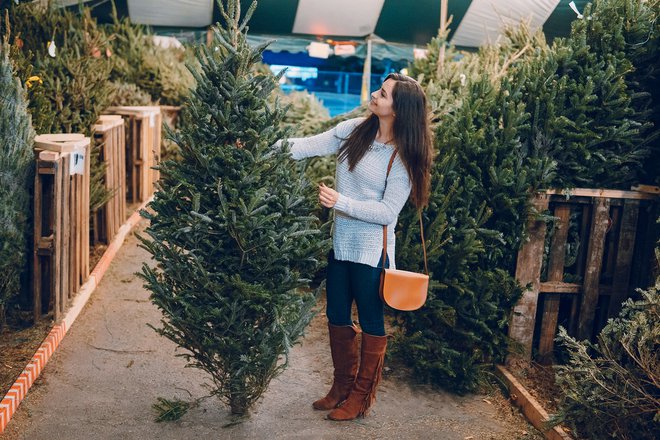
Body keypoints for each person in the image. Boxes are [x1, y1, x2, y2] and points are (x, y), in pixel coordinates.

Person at [280, 73, 433, 421]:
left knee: (370, 320)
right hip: (342, 245)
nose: (375, 96)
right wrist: (259, 144)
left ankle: (362, 397)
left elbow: (386, 212)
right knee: (335, 315)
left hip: (371, 254)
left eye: (383, 94)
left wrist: (341, 202)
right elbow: (306, 145)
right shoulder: (354, 131)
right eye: (379, 90)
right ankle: (341, 388)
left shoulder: (402, 158)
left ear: (399, 110)